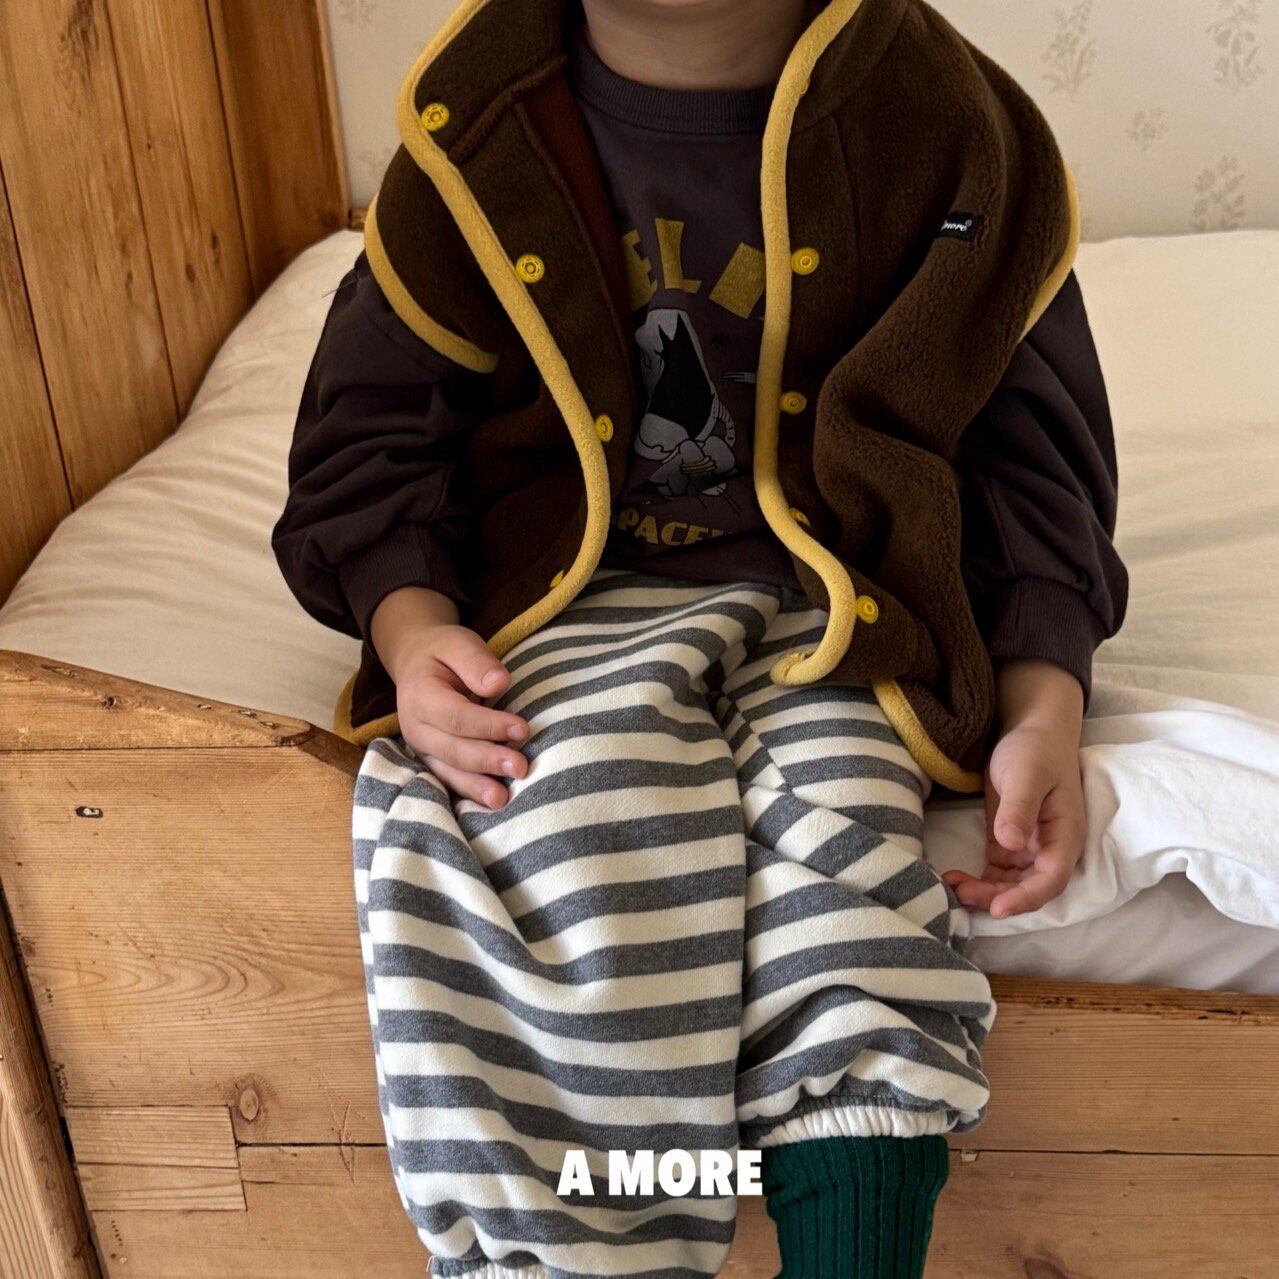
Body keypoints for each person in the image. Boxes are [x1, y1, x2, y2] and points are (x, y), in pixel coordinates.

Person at [273, 1, 1127, 1275]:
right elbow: (370, 437)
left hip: (849, 597)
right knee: (566, 856)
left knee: (849, 879)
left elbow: (1031, 458)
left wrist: (1043, 696)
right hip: (560, 592)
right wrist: (413, 626)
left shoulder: (952, 127)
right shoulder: (470, 135)